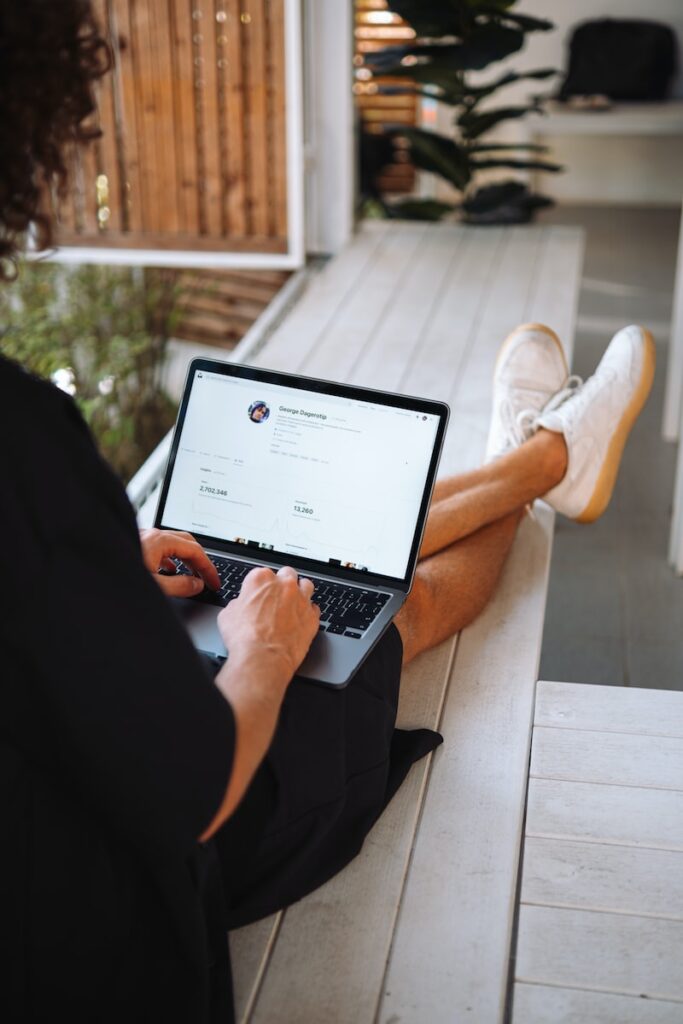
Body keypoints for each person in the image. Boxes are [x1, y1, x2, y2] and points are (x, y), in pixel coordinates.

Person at [0, 4, 654, 1022]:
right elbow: (190, 792)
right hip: (113, 895)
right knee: (383, 609)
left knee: (314, 555)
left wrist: (93, 566)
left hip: (59, 779)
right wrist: (260, 654)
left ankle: (532, 459)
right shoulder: (17, 441)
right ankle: (542, 459)